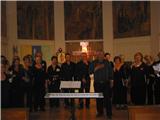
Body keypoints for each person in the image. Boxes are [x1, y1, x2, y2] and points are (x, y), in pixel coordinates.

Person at [90, 50, 113, 119]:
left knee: (107, 99)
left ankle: (109, 114)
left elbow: (111, 72)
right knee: (99, 99)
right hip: (97, 84)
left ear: (103, 55)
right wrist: (96, 68)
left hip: (106, 83)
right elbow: (90, 71)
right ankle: (100, 112)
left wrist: (111, 81)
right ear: (97, 55)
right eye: (99, 54)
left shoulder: (107, 62)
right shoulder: (93, 63)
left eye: (101, 54)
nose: (100, 55)